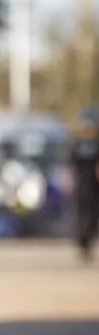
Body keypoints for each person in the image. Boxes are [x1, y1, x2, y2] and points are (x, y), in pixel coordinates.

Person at [70, 108, 99, 262]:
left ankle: (89, 243)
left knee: (92, 215)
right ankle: (82, 242)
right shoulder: (78, 144)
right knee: (82, 213)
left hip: (94, 185)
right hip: (82, 183)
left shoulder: (96, 144)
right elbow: (72, 165)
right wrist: (71, 181)